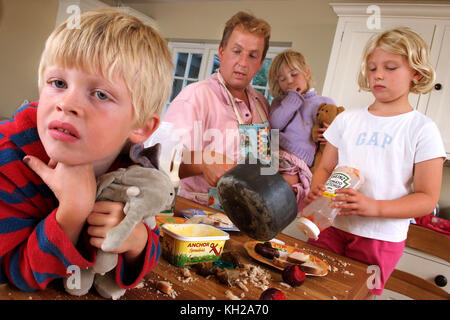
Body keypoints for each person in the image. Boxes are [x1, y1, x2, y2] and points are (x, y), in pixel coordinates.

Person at [0, 9, 173, 292]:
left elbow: (152, 245)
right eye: (58, 83)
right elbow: (12, 271)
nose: (66, 103)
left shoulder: (133, 171)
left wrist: (136, 240)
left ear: (140, 127)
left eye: (100, 94)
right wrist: (71, 213)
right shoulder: (9, 162)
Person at [305, 27, 446, 297]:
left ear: (416, 74)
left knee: (355, 293)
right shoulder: (347, 120)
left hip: (380, 238)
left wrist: (373, 207)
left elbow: (427, 198)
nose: (378, 74)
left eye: (390, 67)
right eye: (372, 68)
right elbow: (324, 168)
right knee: (312, 288)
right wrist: (318, 187)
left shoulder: (422, 129)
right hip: (329, 225)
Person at [163, 11, 271, 206]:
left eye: (252, 56)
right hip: (194, 214)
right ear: (221, 52)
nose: (243, 63)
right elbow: (161, 161)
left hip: (245, 217)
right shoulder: (195, 97)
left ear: (261, 63)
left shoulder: (262, 105)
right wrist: (204, 161)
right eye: (236, 51)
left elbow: (265, 166)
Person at [268, 49, 335, 211]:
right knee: (266, 183)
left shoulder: (324, 102)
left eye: (294, 74)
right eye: (283, 79)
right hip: (278, 153)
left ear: (307, 73)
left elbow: (333, 133)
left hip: (300, 161)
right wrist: (292, 99)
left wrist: (327, 137)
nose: (289, 81)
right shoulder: (280, 102)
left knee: (286, 185)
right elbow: (275, 124)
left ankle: (271, 211)